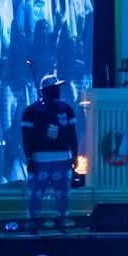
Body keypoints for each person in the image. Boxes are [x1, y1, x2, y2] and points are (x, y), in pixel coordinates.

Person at [20, 76, 79, 219]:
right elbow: (26, 137)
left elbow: (72, 134)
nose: (58, 90)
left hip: (62, 158)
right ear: (45, 90)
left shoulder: (67, 109)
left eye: (57, 87)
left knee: (62, 194)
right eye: (55, 88)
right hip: (40, 159)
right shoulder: (31, 111)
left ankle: (61, 222)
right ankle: (34, 223)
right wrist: (29, 159)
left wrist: (74, 155)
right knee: (37, 194)